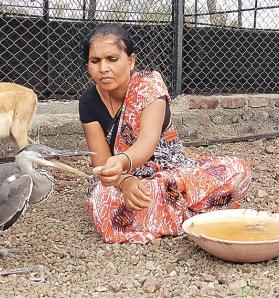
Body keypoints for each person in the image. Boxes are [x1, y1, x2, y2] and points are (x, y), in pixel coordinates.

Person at [79, 24, 251, 244]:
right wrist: (125, 182)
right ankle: (188, 213)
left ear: (130, 61)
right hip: (125, 179)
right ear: (88, 65)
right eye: (96, 61)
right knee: (102, 197)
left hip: (172, 173)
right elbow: (101, 162)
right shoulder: (88, 102)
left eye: (112, 59)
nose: (103, 68)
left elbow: (147, 142)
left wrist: (123, 163)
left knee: (237, 171)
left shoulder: (149, 87)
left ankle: (159, 211)